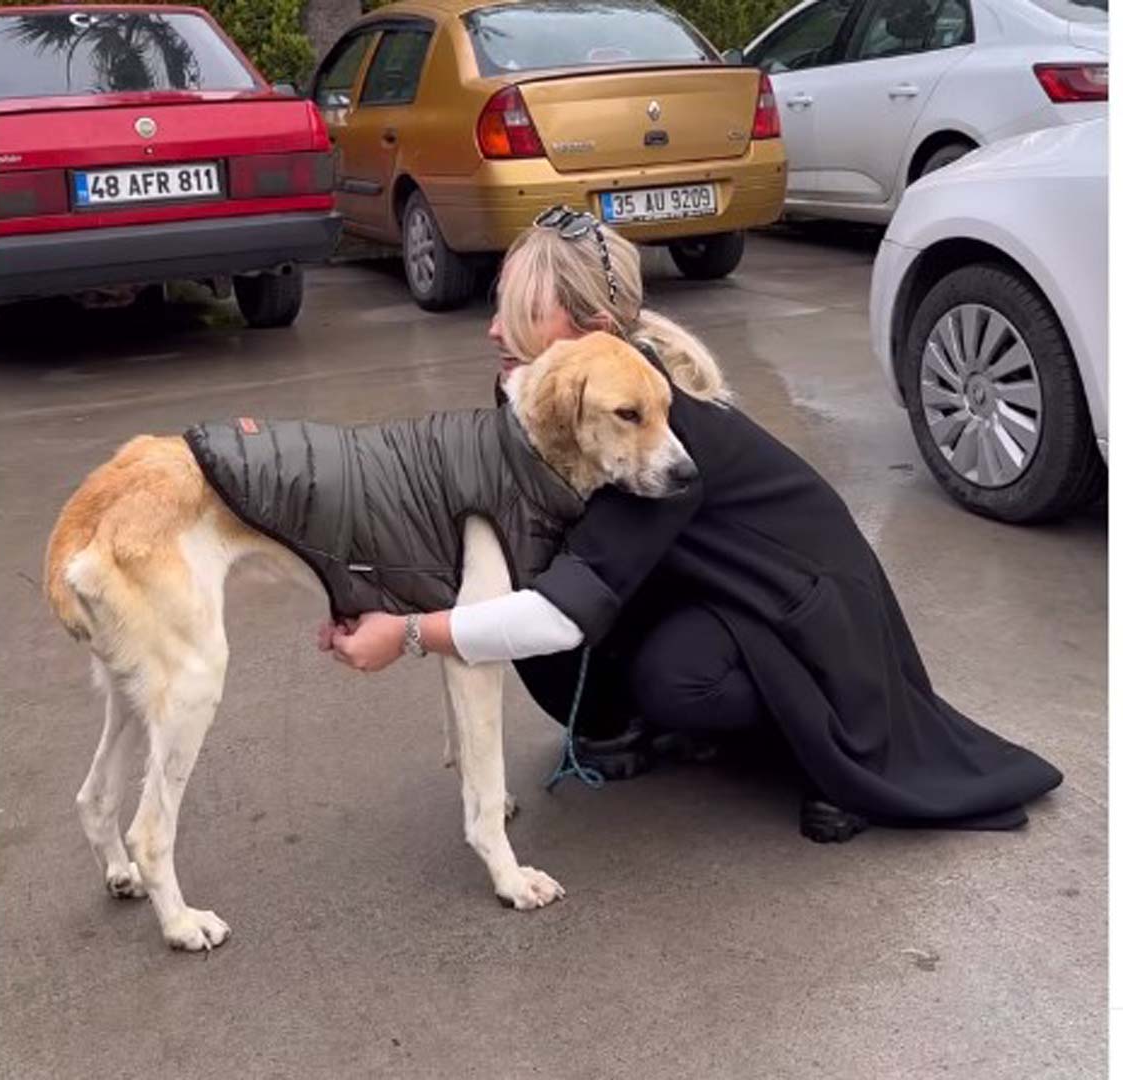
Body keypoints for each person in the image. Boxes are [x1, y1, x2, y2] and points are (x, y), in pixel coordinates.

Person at [320, 206, 1062, 842]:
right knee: (535, 600)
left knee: (658, 670)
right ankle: (647, 720)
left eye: (519, 316)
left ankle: (821, 746)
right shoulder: (550, 395)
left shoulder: (655, 436)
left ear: (597, 333)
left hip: (809, 618)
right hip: (706, 587)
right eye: (498, 307)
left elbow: (562, 608)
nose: (491, 331)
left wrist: (411, 634)